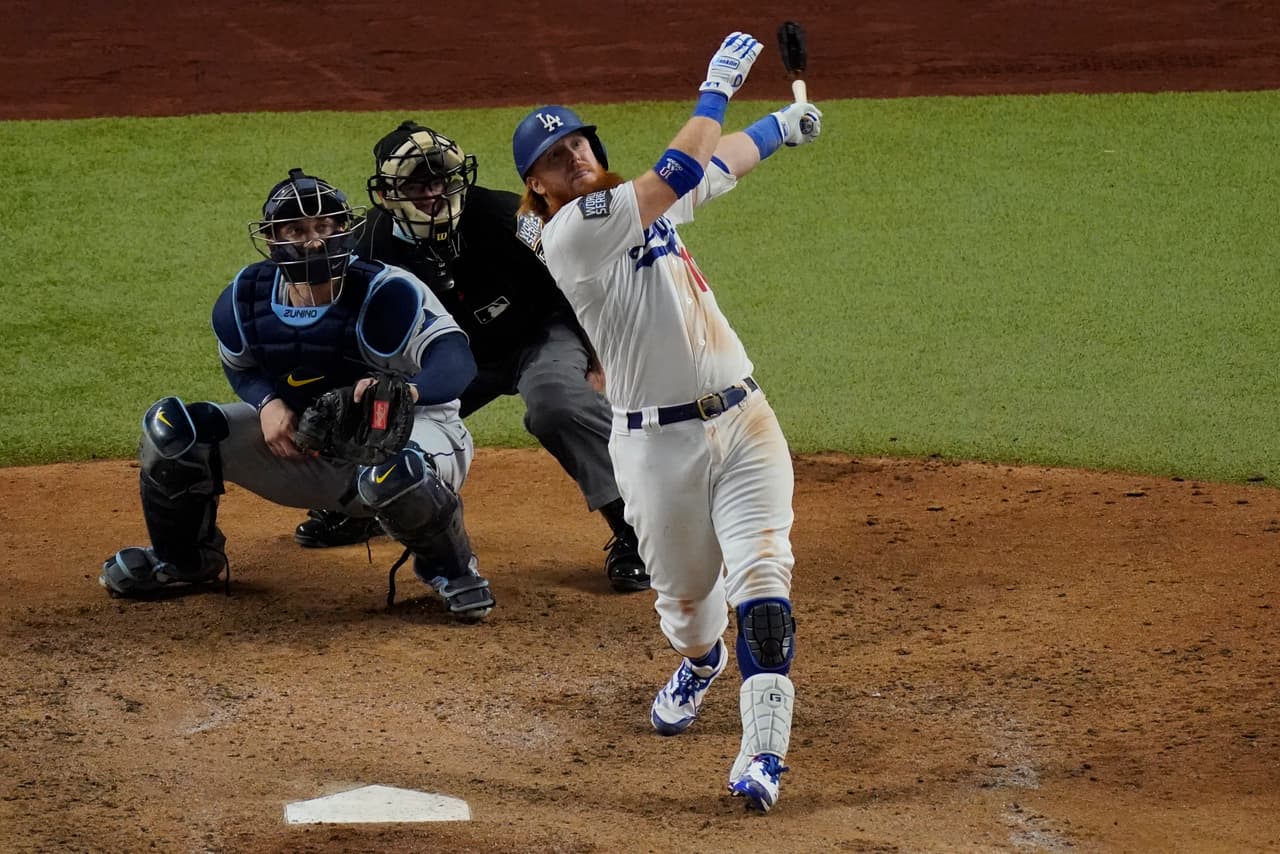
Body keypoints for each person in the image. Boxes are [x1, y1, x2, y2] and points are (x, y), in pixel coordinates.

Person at [511, 32, 822, 811]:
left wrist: (782, 130)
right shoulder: (572, 233)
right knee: (687, 607)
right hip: (656, 448)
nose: (575, 157)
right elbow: (683, 164)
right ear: (538, 190)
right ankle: (699, 659)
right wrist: (716, 86)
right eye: (555, 158)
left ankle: (762, 755)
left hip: (745, 419)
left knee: (763, 576)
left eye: (580, 144)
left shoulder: (637, 207)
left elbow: (713, 171)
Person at [100, 168, 496, 621]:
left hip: (412, 436)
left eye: (325, 226)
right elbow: (242, 368)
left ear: (344, 229)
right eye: (297, 229)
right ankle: (183, 561)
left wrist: (403, 391)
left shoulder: (386, 292)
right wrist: (267, 404)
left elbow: (456, 359)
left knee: (396, 473)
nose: (314, 241)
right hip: (308, 451)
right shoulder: (245, 300)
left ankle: (453, 571)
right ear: (272, 239)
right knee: (171, 431)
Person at [291, 121, 650, 594]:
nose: (433, 194)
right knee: (378, 403)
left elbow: (579, 278)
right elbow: (354, 330)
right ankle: (367, 505)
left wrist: (599, 354)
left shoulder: (509, 214)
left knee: (557, 401)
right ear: (387, 195)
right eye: (417, 185)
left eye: (439, 180)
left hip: (537, 335)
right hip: (452, 358)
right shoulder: (372, 245)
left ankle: (638, 530)